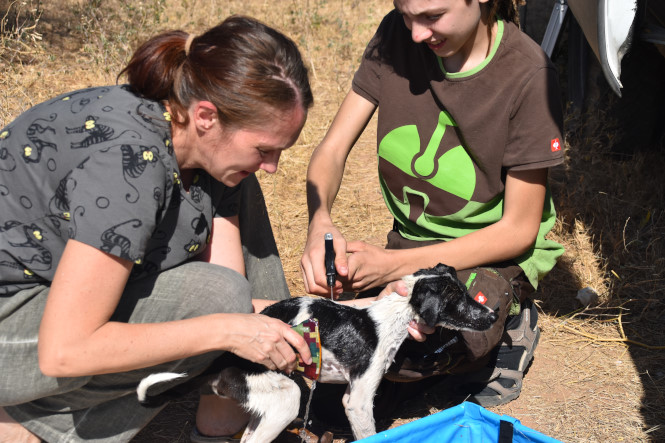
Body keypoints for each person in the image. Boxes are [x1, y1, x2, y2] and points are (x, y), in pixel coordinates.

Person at [0, 15, 315, 443]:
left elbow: (235, 293)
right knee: (214, 305)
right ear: (206, 115)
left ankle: (228, 414)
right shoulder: (128, 167)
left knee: (236, 208)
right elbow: (65, 351)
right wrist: (224, 330)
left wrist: (348, 313)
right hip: (15, 322)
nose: (273, 165)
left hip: (51, 302)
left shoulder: (200, 147)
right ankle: (30, 427)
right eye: (265, 148)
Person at [301, 0, 565, 415]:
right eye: (406, 16)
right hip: (410, 248)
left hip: (490, 253)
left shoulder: (529, 74)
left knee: (412, 351)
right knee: (349, 344)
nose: (416, 34)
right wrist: (321, 224)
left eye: (432, 17)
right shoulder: (396, 36)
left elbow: (518, 229)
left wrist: (390, 266)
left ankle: (511, 318)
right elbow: (332, 149)